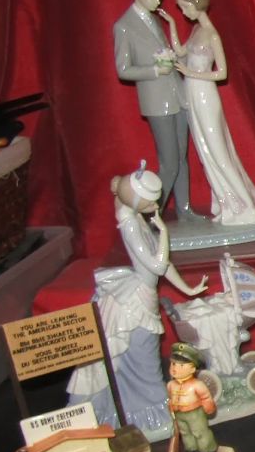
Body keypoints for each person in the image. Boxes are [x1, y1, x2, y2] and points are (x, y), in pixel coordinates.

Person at [67, 163, 208, 434]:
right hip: (133, 304)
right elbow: (158, 264)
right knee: (144, 362)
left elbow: (164, 265)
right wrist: (164, 232)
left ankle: (147, 414)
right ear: (134, 201)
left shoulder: (136, 217)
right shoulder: (130, 225)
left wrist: (189, 289)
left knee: (142, 361)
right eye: (151, 202)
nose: (156, 205)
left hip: (144, 294)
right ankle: (150, 417)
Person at [164, 0, 255, 226]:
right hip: (192, 94)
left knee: (219, 151)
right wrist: (171, 24)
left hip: (205, 95)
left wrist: (191, 73)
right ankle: (227, 203)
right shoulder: (195, 31)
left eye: (185, 7)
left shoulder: (212, 35)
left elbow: (221, 73)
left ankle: (246, 207)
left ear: (196, 4)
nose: (184, 12)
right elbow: (180, 51)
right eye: (181, 8)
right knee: (206, 152)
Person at [113, 0, 195, 217]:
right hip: (157, 101)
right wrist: (155, 70)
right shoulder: (124, 26)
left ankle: (185, 210)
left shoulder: (154, 19)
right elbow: (123, 70)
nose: (157, 1)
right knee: (169, 163)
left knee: (181, 159)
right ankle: (150, 213)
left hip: (177, 95)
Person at [166, 342, 218, 452]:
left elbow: (206, 397)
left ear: (193, 369)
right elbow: (171, 398)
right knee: (185, 433)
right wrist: (171, 408)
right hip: (179, 414)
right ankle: (191, 449)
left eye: (181, 365)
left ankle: (207, 450)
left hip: (195, 413)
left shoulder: (197, 385)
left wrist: (209, 409)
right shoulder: (171, 384)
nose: (175, 368)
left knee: (199, 432)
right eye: (173, 364)